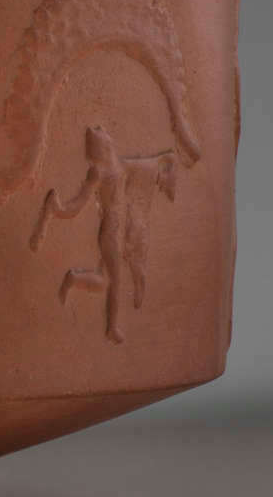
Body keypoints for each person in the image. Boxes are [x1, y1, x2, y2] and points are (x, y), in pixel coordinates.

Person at [30, 125, 178, 343]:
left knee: (103, 280)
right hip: (109, 234)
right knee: (115, 281)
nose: (108, 137)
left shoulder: (117, 164)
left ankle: (74, 279)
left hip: (118, 231)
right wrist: (62, 210)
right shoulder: (98, 173)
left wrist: (163, 163)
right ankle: (111, 328)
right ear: (103, 146)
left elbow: (143, 165)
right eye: (104, 138)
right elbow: (79, 204)